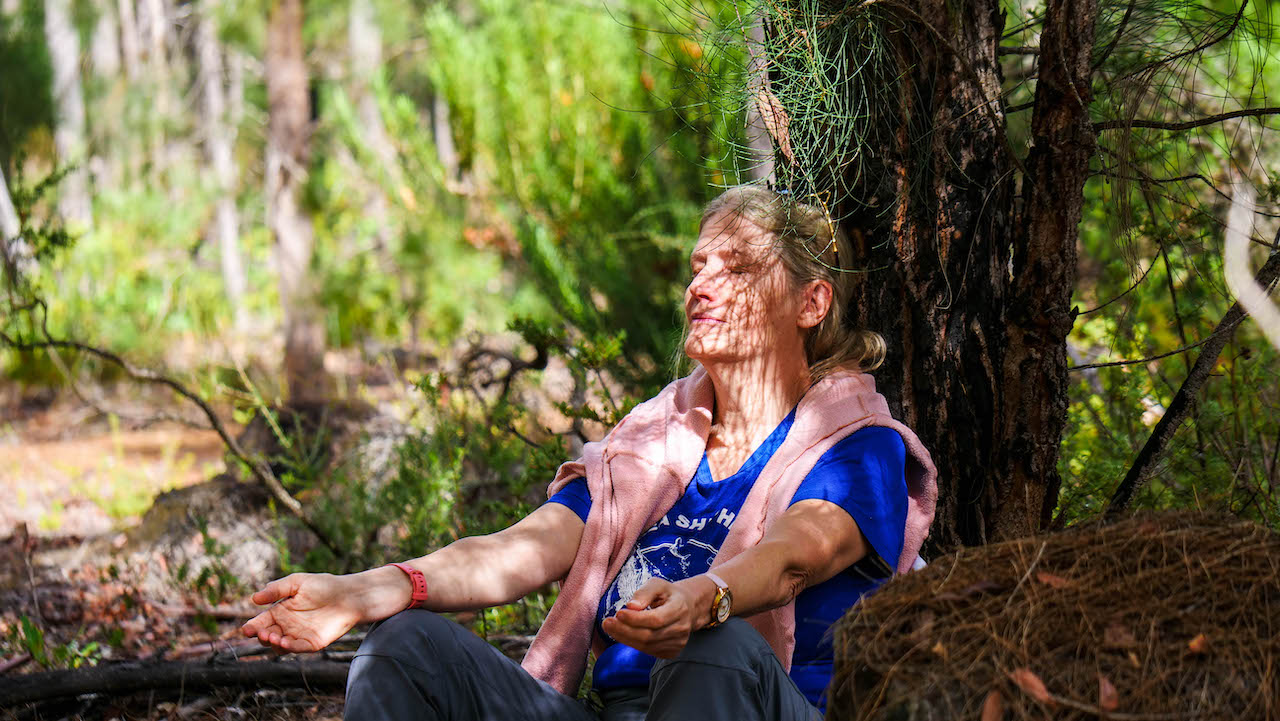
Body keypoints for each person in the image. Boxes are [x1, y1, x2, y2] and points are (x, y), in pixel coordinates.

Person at [242, 186, 937, 721]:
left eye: (738, 268)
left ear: (811, 303)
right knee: (406, 648)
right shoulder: (652, 444)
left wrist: (705, 597)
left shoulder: (856, 445)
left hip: (755, 703)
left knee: (716, 647)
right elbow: (523, 548)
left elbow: (793, 555)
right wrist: (369, 588)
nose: (701, 286)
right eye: (698, 268)